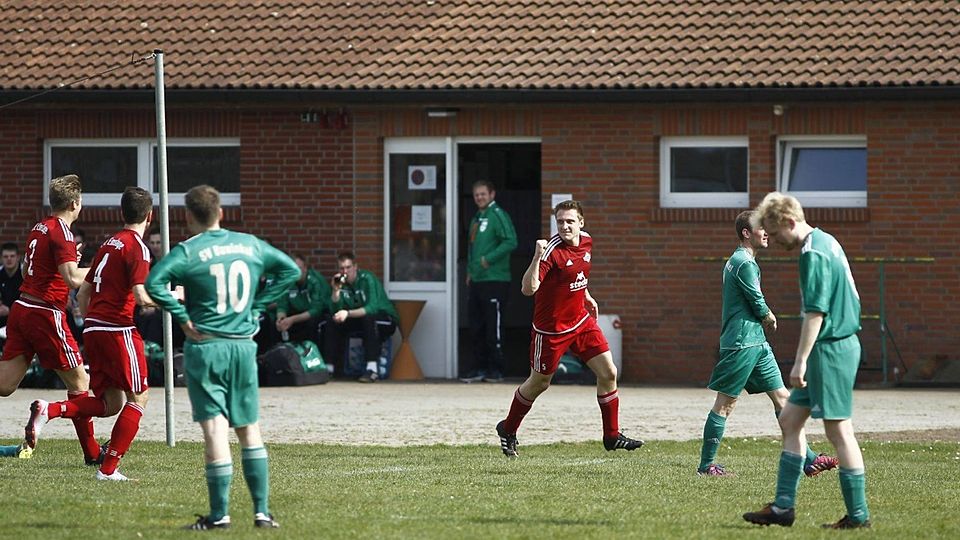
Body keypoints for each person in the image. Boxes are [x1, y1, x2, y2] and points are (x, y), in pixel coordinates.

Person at [145, 184, 300, 530]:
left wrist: (182, 317)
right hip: (244, 345)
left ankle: (220, 516)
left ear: (187, 217)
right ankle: (261, 512)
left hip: (207, 346)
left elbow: (154, 283)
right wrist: (259, 304)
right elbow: (290, 270)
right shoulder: (249, 244)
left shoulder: (187, 251)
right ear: (221, 213)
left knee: (215, 428)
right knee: (248, 427)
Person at [743, 192, 870, 529]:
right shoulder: (826, 239)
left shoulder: (812, 253)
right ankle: (783, 508)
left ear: (789, 222)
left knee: (838, 430)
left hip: (831, 349)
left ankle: (858, 517)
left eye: (776, 232)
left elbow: (815, 313)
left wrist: (799, 362)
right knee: (790, 420)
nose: (775, 240)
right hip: (829, 348)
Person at [25, 186, 157, 481]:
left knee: (111, 403)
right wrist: (176, 296)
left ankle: (51, 409)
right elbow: (142, 297)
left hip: (95, 327)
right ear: (151, 216)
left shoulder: (108, 244)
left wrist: (90, 322)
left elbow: (83, 291)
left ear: (122, 212)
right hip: (118, 329)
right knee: (140, 397)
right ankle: (108, 470)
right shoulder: (138, 247)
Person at [495, 200, 643, 457]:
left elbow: (576, 273)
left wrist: (586, 295)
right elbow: (528, 289)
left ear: (581, 223)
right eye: (560, 221)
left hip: (581, 321)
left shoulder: (587, 241)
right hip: (550, 331)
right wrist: (536, 256)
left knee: (608, 372)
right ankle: (508, 428)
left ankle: (611, 436)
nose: (564, 226)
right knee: (539, 383)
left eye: (570, 221)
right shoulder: (550, 251)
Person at [698, 211, 838, 477]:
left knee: (783, 398)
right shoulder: (743, 262)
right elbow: (756, 299)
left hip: (756, 343)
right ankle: (706, 466)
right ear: (746, 233)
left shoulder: (740, 260)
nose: (766, 233)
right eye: (760, 228)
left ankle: (808, 459)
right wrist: (768, 316)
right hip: (741, 343)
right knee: (725, 405)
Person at [0, 175, 98, 464]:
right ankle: (93, 455)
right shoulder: (64, 233)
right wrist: (100, 267)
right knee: (80, 383)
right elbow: (71, 279)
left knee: (5, 385)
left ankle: (93, 453)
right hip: (45, 313)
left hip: (22, 307)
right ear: (74, 203)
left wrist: (69, 261)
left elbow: (31, 267)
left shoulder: (39, 227)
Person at [460, 180, 517, 383]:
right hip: (477, 280)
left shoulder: (498, 215)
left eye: (483, 194)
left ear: (492, 194)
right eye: (476, 195)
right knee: (476, 326)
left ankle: (497, 369)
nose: (479, 198)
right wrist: (470, 271)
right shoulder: (477, 217)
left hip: (495, 279)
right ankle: (479, 368)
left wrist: (487, 260)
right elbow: (472, 248)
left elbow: (511, 241)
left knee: (494, 327)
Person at [324, 252, 398, 383]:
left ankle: (372, 369)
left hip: (385, 319)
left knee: (368, 318)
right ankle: (329, 369)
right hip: (358, 318)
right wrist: (335, 291)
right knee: (331, 320)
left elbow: (372, 307)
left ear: (355, 267)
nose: (345, 271)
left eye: (348, 267)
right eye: (342, 268)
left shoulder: (367, 278)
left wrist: (347, 313)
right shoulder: (341, 283)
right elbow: (335, 309)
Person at [275, 254, 331, 346]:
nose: (296, 272)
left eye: (299, 268)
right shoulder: (288, 281)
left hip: (317, 314)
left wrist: (292, 320)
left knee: (312, 323)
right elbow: (282, 305)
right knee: (277, 325)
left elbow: (316, 310)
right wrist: (281, 319)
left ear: (305, 268)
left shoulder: (315, 280)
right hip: (296, 314)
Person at [0, 242, 23, 332]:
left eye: (12, 256)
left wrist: (9, 309)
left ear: (18, 257)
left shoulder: (25, 276)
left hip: (20, 318)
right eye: (6, 257)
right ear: (1, 258)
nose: (9, 259)